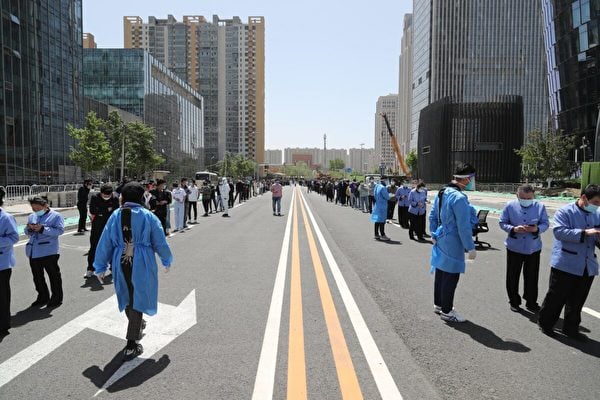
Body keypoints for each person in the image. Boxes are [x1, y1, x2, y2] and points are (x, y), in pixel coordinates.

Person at [94, 182, 173, 360]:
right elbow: (159, 241)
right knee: (138, 295)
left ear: (123, 198)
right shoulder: (148, 216)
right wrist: (166, 259)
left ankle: (136, 325)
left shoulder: (115, 215)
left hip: (119, 260)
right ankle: (132, 342)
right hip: (142, 261)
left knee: (128, 294)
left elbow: (105, 241)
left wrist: (100, 266)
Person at [538, 184, 600, 341]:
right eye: (596, 202)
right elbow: (559, 232)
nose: (598, 206)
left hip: (587, 265)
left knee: (577, 300)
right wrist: (585, 232)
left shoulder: (597, 215)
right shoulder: (565, 211)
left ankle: (571, 328)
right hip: (566, 263)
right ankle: (546, 323)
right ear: (584, 198)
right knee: (556, 297)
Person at [429, 163, 477, 323]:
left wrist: (433, 232)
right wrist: (470, 247)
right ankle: (447, 311)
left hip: (441, 236)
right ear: (467, 179)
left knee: (441, 272)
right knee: (451, 276)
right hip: (453, 240)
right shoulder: (459, 197)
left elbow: (433, 215)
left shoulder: (443, 192)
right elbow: (463, 226)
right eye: (472, 179)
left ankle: (439, 304)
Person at [499, 184, 550, 312]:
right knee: (512, 276)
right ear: (517, 196)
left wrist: (537, 229)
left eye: (529, 198)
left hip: (533, 248)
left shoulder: (540, 206)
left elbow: (545, 223)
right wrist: (513, 229)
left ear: (533, 196)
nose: (526, 201)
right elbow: (502, 222)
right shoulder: (510, 206)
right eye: (523, 198)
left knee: (532, 276)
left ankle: (531, 301)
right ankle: (514, 301)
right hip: (514, 247)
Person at [25, 196, 65, 308]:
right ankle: (42, 297)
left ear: (45, 205)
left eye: (38, 209)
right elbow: (26, 231)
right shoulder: (32, 216)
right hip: (34, 251)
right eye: (33, 209)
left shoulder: (56, 216)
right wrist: (29, 228)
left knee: (54, 276)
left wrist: (43, 229)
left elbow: (60, 230)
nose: (36, 211)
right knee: (37, 277)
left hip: (49, 251)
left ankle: (57, 298)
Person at [85, 184, 120, 278]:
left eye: (108, 196)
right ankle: (90, 268)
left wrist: (101, 211)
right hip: (97, 227)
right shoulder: (94, 197)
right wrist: (107, 210)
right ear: (101, 193)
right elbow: (93, 210)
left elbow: (116, 212)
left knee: (113, 248)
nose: (107, 198)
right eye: (104, 196)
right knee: (94, 248)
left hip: (111, 227)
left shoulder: (115, 198)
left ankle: (113, 268)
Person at [0, 189, 19, 337]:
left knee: (2, 296)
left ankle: (3, 324)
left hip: (2, 263)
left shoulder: (6, 218)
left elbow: (14, 238)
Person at [371, 177, 391, 241]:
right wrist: (390, 195)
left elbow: (374, 195)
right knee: (382, 221)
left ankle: (376, 234)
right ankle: (383, 235)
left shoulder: (377, 186)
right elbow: (387, 197)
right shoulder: (383, 187)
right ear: (385, 180)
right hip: (383, 206)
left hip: (377, 205)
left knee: (377, 220)